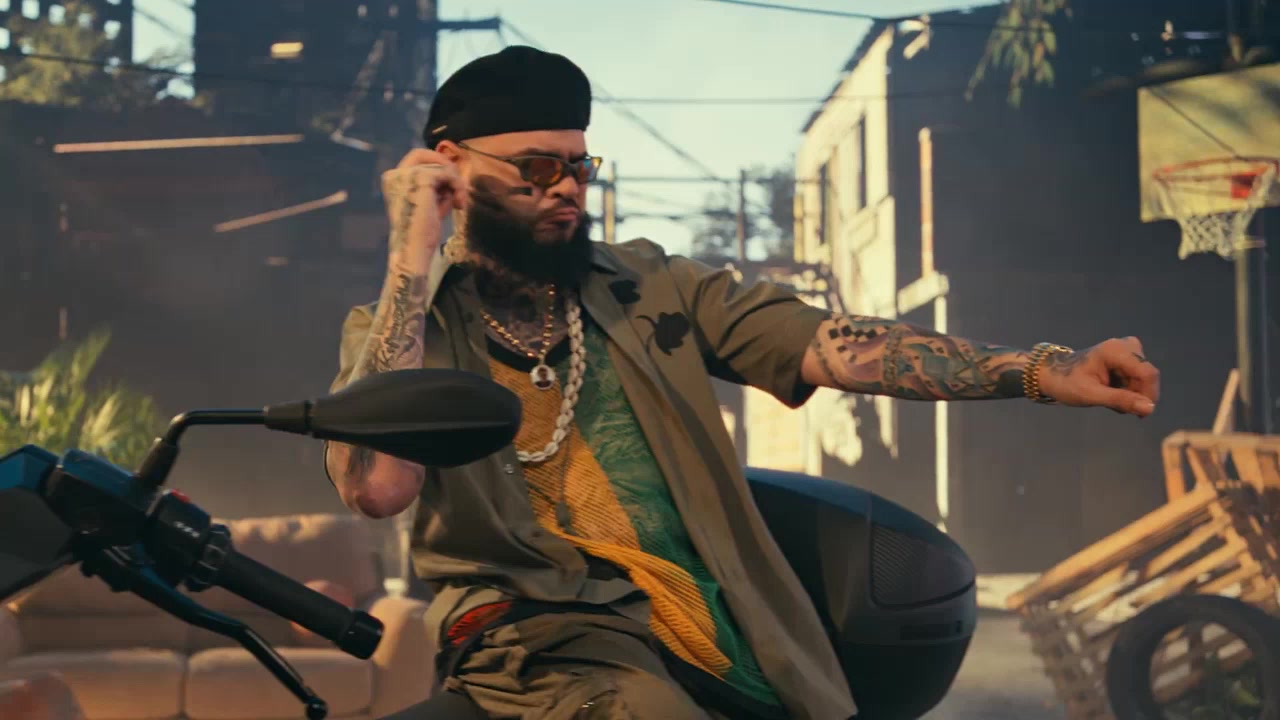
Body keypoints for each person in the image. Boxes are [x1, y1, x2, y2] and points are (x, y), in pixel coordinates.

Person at [323, 46, 1160, 720]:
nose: (567, 188)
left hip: (709, 625)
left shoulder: (649, 287)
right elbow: (378, 488)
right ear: (450, 167)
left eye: (580, 166)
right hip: (536, 633)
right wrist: (411, 256)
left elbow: (839, 346)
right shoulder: (401, 329)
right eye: (537, 168)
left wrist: (1041, 370)